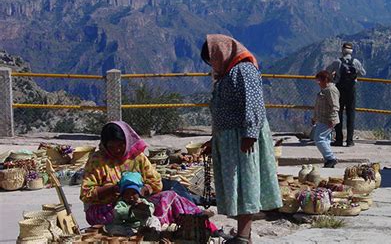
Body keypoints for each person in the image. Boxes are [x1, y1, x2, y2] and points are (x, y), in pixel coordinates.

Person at [200, 34, 282, 244]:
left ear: (222, 53)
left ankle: (243, 236)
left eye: (213, 59)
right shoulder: (226, 74)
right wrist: (214, 140)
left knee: (245, 184)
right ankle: (241, 232)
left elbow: (253, 104)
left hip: (242, 138)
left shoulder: (243, 71)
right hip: (229, 139)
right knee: (235, 185)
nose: (212, 65)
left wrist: (250, 135)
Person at [80, 121, 219, 235]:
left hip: (138, 204)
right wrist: (113, 189)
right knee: (133, 216)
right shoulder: (97, 161)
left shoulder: (137, 157)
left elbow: (156, 182)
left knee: (171, 196)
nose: (116, 150)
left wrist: (141, 191)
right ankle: (148, 229)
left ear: (127, 142)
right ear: (105, 145)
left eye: (120, 145)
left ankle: (205, 225)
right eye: (111, 146)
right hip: (107, 209)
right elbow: (86, 194)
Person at [326, 42, 366, 147]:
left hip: (339, 90)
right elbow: (363, 73)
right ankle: (350, 141)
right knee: (351, 114)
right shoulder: (356, 62)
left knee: (338, 113)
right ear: (352, 51)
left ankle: (339, 139)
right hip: (351, 90)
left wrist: (334, 76)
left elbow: (327, 71)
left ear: (342, 50)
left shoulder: (337, 62)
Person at [105, 172, 161, 237]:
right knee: (113, 228)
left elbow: (151, 207)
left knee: (154, 220)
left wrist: (144, 208)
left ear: (139, 194)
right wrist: (131, 210)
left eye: (133, 193)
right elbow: (118, 211)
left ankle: (152, 232)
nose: (130, 196)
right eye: (127, 193)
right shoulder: (121, 203)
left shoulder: (141, 201)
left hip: (141, 225)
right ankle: (134, 235)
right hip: (127, 226)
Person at [311, 70, 340, 168]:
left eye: (319, 81)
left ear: (325, 80)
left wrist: (332, 119)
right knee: (326, 140)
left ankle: (331, 158)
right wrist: (314, 118)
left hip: (328, 119)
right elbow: (318, 106)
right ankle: (329, 160)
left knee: (319, 139)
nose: (318, 83)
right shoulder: (324, 90)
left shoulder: (331, 90)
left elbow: (335, 105)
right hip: (321, 118)